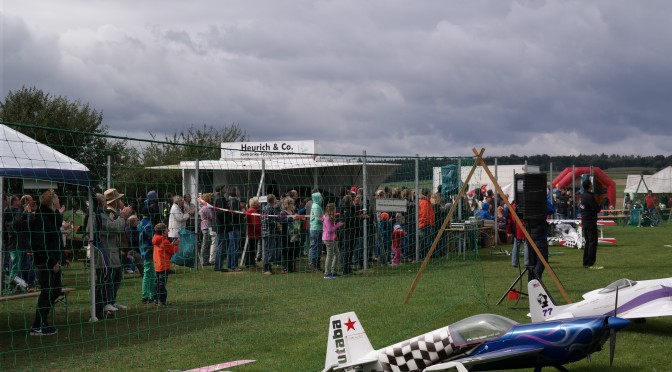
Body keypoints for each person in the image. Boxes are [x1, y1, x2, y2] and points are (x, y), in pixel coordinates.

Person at [29, 190, 68, 336]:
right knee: (47, 292)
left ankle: (43, 321)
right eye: (57, 198)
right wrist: (51, 261)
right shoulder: (41, 219)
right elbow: (39, 244)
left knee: (55, 290)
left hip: (54, 261)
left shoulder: (51, 217)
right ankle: (37, 325)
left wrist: (61, 258)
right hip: (45, 263)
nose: (59, 200)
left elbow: (55, 240)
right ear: (52, 201)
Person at [152, 223, 179, 306]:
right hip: (163, 264)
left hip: (157, 263)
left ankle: (156, 299)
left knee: (157, 282)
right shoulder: (163, 240)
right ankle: (162, 300)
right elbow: (172, 250)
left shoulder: (156, 239)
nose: (168, 231)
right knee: (162, 283)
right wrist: (176, 244)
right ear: (163, 231)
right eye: (167, 229)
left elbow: (166, 248)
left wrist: (172, 244)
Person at [580, 179, 602, 269]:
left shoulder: (583, 195)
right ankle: (591, 263)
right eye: (591, 184)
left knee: (588, 242)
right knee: (593, 242)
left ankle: (585, 262)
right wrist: (600, 205)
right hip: (590, 221)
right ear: (590, 186)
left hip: (585, 221)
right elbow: (597, 209)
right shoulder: (589, 196)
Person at [138, 207, 156, 305]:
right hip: (148, 251)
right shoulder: (148, 225)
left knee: (148, 274)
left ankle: (148, 295)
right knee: (149, 274)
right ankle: (148, 296)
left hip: (143, 250)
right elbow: (152, 239)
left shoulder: (140, 223)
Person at [322, 203, 343, 279]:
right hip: (328, 239)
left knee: (337, 254)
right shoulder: (327, 218)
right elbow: (330, 229)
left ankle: (333, 272)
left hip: (333, 238)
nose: (335, 210)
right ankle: (327, 273)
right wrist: (338, 225)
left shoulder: (331, 217)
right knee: (329, 255)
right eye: (334, 209)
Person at [261, 194, 280, 275]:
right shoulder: (267, 208)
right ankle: (266, 268)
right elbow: (267, 220)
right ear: (273, 200)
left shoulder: (271, 208)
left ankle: (268, 267)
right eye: (275, 199)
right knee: (267, 251)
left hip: (271, 232)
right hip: (267, 232)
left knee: (270, 250)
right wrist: (276, 223)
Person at [198, 193, 216, 267]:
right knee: (205, 244)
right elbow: (211, 216)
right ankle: (203, 260)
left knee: (206, 244)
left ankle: (206, 260)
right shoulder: (207, 208)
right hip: (207, 226)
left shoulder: (202, 207)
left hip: (204, 226)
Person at [309, 189, 324, 271]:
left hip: (316, 229)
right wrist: (325, 220)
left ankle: (315, 263)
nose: (321, 198)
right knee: (316, 246)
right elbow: (318, 219)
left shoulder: (315, 205)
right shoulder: (317, 206)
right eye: (320, 197)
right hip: (316, 229)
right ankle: (315, 264)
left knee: (316, 246)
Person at [245, 197, 262, 269]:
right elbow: (256, 224)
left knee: (251, 248)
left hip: (252, 232)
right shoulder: (253, 211)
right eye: (258, 202)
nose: (259, 204)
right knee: (251, 249)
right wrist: (261, 231)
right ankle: (250, 263)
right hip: (253, 233)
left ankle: (251, 263)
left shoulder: (252, 210)